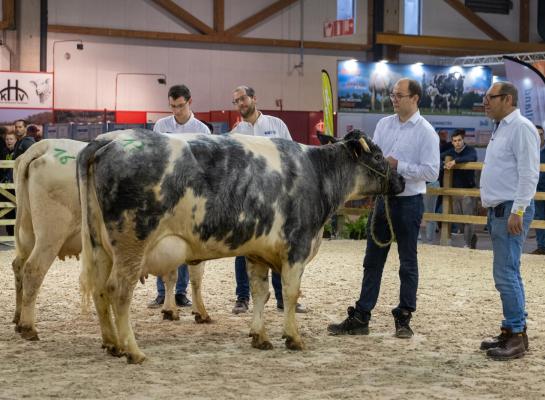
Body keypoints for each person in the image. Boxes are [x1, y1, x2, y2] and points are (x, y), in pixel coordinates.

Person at [328, 78, 439, 338]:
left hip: (409, 202)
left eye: (399, 95)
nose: (394, 98)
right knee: (372, 260)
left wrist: (398, 165)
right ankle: (361, 315)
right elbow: (371, 162)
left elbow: (432, 171)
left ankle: (404, 317)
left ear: (415, 98)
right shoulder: (383, 125)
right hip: (382, 201)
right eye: (392, 94)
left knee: (407, 262)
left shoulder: (426, 132)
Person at [229, 85, 306, 314]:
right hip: (247, 200)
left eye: (243, 98)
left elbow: (293, 156)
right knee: (244, 249)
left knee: (278, 248)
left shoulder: (276, 125)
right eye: (236, 101)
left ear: (254, 98)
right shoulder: (236, 133)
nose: (240, 103)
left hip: (277, 198)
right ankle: (242, 298)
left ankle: (284, 298)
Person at [479, 82, 540, 360]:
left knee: (505, 273)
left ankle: (516, 335)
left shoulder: (521, 127)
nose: (485, 102)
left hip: (510, 211)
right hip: (499, 209)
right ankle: (511, 330)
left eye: (490, 97)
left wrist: (518, 210)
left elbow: (529, 173)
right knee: (508, 271)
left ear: (508, 99)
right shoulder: (502, 127)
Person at [147, 84, 211, 309]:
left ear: (190, 102)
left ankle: (181, 293)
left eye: (180, 106)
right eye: (172, 106)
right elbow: (155, 159)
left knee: (184, 241)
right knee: (161, 239)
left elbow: (205, 165)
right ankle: (162, 293)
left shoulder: (202, 129)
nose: (176, 111)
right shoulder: (161, 126)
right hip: (164, 191)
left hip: (190, 194)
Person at [441, 129, 478, 248]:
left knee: (467, 218)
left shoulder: (470, 150)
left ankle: (467, 244)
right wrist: (444, 163)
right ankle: (471, 238)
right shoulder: (450, 152)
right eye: (455, 141)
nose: (457, 143)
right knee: (458, 219)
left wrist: (454, 162)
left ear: (463, 140)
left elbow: (472, 157)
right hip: (454, 191)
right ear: (452, 142)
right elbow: (440, 157)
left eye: (459, 140)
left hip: (468, 191)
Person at [531, 125, 545, 255]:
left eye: (541, 134)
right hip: (535, 191)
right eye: (537, 134)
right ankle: (541, 247)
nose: (539, 137)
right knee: (539, 217)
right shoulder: (529, 151)